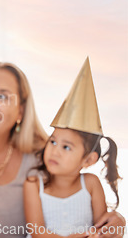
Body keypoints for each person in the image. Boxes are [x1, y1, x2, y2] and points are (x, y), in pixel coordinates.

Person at [0, 61, 125, 238]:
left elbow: (74, 199)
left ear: (21, 110)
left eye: (2, 97)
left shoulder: (43, 155)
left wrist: (116, 221)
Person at [24, 58, 122, 237]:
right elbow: (37, 232)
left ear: (88, 160)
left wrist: (106, 233)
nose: (55, 150)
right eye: (53, 142)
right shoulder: (33, 184)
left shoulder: (91, 184)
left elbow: (100, 227)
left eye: (66, 147)